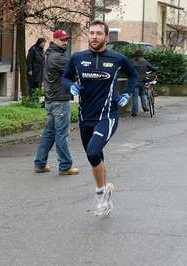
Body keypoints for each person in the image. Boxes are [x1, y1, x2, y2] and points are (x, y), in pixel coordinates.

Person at [61, 20, 138, 217]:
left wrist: (127, 94)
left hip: (107, 116)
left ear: (106, 37)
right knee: (94, 156)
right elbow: (65, 77)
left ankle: (99, 194)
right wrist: (70, 86)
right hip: (84, 117)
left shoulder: (117, 59)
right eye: (91, 33)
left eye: (98, 33)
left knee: (94, 152)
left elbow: (133, 75)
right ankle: (106, 189)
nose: (94, 36)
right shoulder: (77, 57)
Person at [33, 30, 79, 175]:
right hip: (59, 99)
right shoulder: (58, 57)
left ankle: (40, 163)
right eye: (62, 40)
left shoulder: (50, 55)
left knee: (49, 132)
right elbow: (73, 75)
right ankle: (65, 166)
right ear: (55, 39)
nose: (65, 42)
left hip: (51, 99)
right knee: (61, 134)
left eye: (66, 40)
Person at [131, 49, 159, 116]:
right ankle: (144, 107)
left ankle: (135, 112)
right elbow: (152, 68)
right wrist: (158, 68)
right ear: (142, 55)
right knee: (142, 94)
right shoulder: (145, 62)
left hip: (135, 81)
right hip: (143, 81)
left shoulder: (133, 63)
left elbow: (129, 70)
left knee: (135, 96)